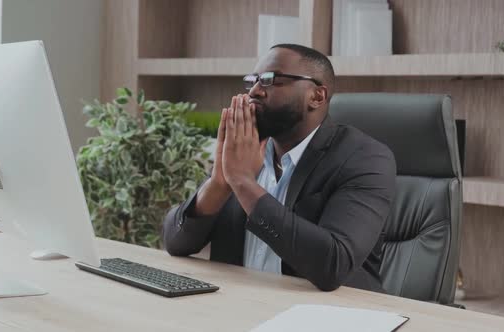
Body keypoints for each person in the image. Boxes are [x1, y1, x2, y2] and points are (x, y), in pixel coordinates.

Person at [162, 44, 396, 292]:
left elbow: (333, 265)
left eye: (270, 80)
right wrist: (218, 184)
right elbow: (176, 242)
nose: (254, 91)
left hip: (325, 315)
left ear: (317, 96)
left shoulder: (366, 158)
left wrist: (243, 183)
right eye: (253, 81)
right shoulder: (244, 151)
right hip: (238, 307)